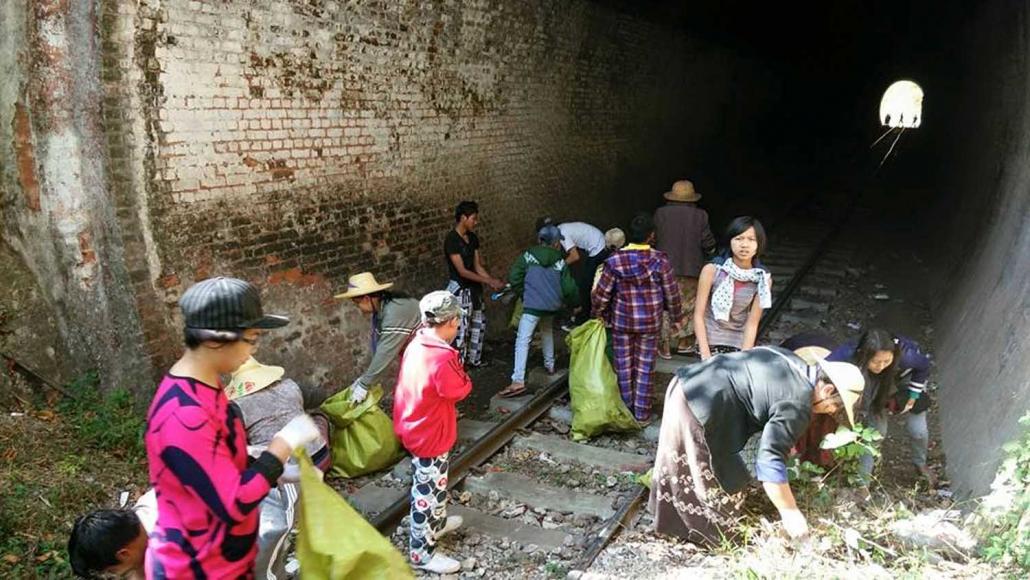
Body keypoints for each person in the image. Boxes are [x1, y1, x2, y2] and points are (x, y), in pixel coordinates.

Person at [145, 277, 322, 578]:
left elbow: (218, 464)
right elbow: (234, 502)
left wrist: (280, 473)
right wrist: (280, 448)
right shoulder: (184, 415)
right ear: (215, 339)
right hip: (196, 568)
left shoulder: (207, 384)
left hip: (225, 561)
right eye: (250, 338)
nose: (252, 351)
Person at [649, 347, 864, 545]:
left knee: (686, 464)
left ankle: (670, 523)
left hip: (686, 383)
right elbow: (769, 459)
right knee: (704, 474)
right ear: (827, 390)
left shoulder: (793, 363)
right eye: (834, 407)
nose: (830, 412)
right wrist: (790, 512)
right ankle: (699, 535)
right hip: (699, 402)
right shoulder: (799, 402)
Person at [226, 357, 333, 579]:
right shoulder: (291, 386)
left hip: (282, 469)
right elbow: (320, 395)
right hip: (320, 458)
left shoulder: (237, 406)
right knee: (319, 416)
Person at [393, 291, 473, 574]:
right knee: (425, 492)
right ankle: (421, 554)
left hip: (415, 424)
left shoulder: (418, 342)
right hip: (431, 433)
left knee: (436, 483)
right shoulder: (442, 357)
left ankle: (436, 525)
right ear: (451, 321)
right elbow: (460, 389)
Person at [592, 213, 682, 423]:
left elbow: (602, 293)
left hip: (622, 322)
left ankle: (625, 412)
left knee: (622, 367)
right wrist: (676, 316)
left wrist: (598, 314)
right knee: (644, 368)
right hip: (650, 323)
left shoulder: (614, 261)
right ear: (651, 236)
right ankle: (642, 415)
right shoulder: (660, 260)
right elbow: (672, 292)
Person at [826, 329, 934, 484]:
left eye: (886, 361)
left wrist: (913, 396)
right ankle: (864, 481)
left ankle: (921, 464)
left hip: (905, 377)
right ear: (864, 355)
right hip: (873, 382)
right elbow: (824, 367)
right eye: (876, 361)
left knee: (918, 431)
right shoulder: (849, 353)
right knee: (876, 431)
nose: (881, 366)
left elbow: (923, 365)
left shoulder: (906, 356)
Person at [498, 224, 579, 398]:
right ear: (556, 243)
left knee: (523, 338)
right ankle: (549, 366)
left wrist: (524, 294)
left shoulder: (527, 256)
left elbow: (514, 277)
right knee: (547, 330)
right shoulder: (559, 261)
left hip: (532, 304)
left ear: (539, 240)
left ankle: (518, 379)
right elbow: (569, 288)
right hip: (551, 305)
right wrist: (573, 303)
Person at [336, 272, 422, 403]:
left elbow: (385, 352)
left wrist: (364, 384)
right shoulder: (382, 308)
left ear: (366, 299)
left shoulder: (394, 312)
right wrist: (365, 378)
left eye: (356, 303)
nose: (357, 308)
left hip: (428, 354)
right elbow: (379, 347)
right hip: (418, 354)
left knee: (419, 396)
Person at [694, 216, 772, 360]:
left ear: (759, 244)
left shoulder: (762, 278)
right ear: (730, 242)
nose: (744, 244)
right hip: (710, 340)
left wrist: (745, 356)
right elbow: (698, 314)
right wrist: (705, 354)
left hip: (738, 343)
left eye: (751, 239)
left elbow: (752, 322)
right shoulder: (712, 270)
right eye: (739, 238)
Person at [654, 180, 717, 356]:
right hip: (692, 269)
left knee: (665, 306)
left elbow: (654, 237)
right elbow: (708, 242)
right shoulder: (701, 215)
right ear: (692, 198)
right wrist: (711, 251)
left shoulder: (660, 214)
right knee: (690, 307)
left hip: (665, 269)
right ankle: (684, 342)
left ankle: (664, 346)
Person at [444, 201, 505, 367]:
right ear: (463, 218)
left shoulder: (472, 238)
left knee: (479, 324)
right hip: (461, 289)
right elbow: (462, 271)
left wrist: (491, 281)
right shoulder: (452, 240)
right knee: (461, 329)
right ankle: (458, 366)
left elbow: (477, 266)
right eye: (473, 219)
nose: (475, 222)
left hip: (474, 289)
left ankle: (474, 360)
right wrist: (488, 280)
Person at [68, 491, 156, 579]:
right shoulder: (146, 503)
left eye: (112, 571)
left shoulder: (164, 549)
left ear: (123, 554)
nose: (118, 574)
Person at [554, 220, 611, 325]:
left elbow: (575, 256)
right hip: (600, 243)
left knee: (586, 286)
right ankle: (586, 312)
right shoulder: (562, 228)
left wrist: (558, 266)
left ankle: (583, 318)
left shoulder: (561, 234)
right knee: (588, 282)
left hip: (598, 249)